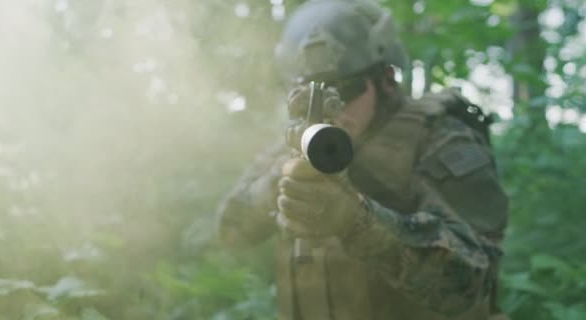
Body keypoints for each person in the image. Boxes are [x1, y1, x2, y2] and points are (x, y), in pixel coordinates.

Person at [216, 0, 509, 319]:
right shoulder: (294, 146)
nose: (334, 107)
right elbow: (230, 231)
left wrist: (358, 223)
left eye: (347, 89)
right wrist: (283, 181)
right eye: (314, 92)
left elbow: (472, 285)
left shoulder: (437, 139)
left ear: (385, 79)